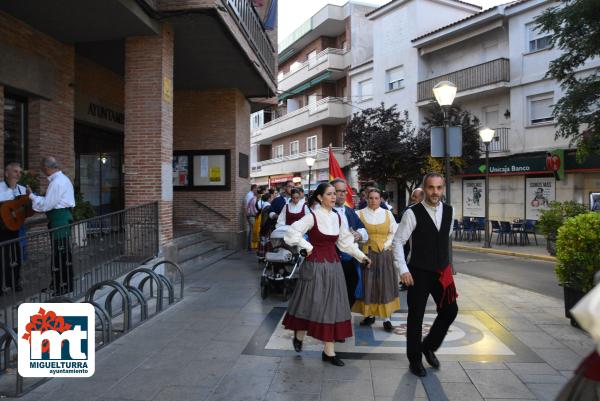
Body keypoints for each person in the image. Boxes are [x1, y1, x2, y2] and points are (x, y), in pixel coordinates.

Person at [283, 183, 371, 367]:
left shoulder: (338, 217)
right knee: (310, 303)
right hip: (314, 266)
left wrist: (361, 257)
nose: (333, 197)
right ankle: (299, 334)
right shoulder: (312, 216)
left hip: (333, 267)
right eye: (329, 194)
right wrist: (307, 247)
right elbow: (291, 233)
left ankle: (328, 352)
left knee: (332, 306)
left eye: (335, 194)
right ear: (320, 198)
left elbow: (345, 242)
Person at [392, 173, 457, 377]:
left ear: (443, 188)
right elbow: (397, 242)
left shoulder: (450, 211)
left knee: (450, 310)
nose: (435, 192)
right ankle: (415, 359)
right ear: (424, 188)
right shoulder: (412, 213)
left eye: (439, 187)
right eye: (431, 187)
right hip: (418, 272)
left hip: (441, 272)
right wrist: (403, 269)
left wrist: (446, 263)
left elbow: (444, 237)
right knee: (416, 317)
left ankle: (428, 346)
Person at [27, 157, 76, 295]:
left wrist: (32, 197)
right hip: (60, 218)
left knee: (61, 253)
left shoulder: (57, 182)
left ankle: (63, 286)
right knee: (62, 252)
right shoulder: (62, 180)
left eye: (43, 169)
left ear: (47, 168)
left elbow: (48, 205)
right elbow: (50, 201)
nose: (43, 171)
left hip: (60, 220)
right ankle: (59, 284)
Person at [353, 188, 399, 332]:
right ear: (366, 198)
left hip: (384, 254)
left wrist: (386, 245)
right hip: (366, 254)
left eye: (376, 198)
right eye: (371, 198)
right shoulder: (358, 214)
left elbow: (394, 232)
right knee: (368, 284)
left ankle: (387, 318)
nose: (373, 200)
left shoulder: (388, 214)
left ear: (381, 199)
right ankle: (370, 315)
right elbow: (353, 232)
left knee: (385, 283)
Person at [331, 178, 368, 308]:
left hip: (350, 260)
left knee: (350, 292)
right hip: (332, 259)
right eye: (337, 191)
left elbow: (363, 228)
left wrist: (359, 234)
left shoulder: (349, 211)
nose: (341, 194)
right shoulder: (324, 212)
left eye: (343, 191)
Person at [0, 162, 27, 292]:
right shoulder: (0, 188)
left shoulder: (22, 189)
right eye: (15, 171)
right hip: (2, 228)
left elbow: (25, 208)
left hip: (17, 227)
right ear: (6, 173)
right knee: (2, 257)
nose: (18, 174)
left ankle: (14, 282)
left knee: (16, 255)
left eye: (19, 172)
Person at [244, 184, 258, 250]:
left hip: (249, 214)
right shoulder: (250, 195)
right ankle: (250, 246)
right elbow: (250, 205)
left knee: (250, 230)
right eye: (256, 188)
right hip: (251, 215)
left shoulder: (250, 195)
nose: (257, 190)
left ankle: (249, 246)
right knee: (252, 230)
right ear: (254, 188)